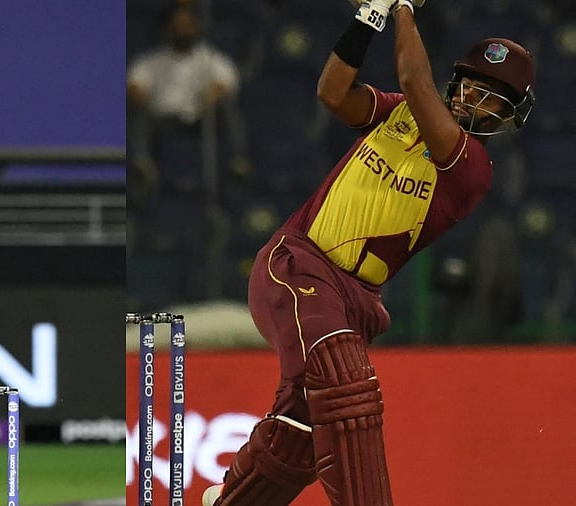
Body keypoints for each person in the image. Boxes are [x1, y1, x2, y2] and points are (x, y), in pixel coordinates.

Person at [202, 0, 535, 504]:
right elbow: (333, 92)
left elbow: (416, 80)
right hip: (298, 265)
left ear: (508, 116)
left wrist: (403, 7)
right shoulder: (397, 111)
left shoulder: (472, 167)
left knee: (301, 436)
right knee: (348, 385)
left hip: (351, 301)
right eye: (470, 85)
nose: (473, 99)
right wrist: (369, 16)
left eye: (492, 99)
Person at [126, 3, 245, 196]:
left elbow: (228, 79)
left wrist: (212, 95)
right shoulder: (152, 60)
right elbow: (134, 84)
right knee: (139, 116)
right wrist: (140, 95)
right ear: (169, 27)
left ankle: (237, 162)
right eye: (178, 25)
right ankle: (142, 166)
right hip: (162, 119)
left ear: (196, 27)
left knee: (227, 109)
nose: (183, 30)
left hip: (198, 118)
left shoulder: (208, 57)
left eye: (187, 25)